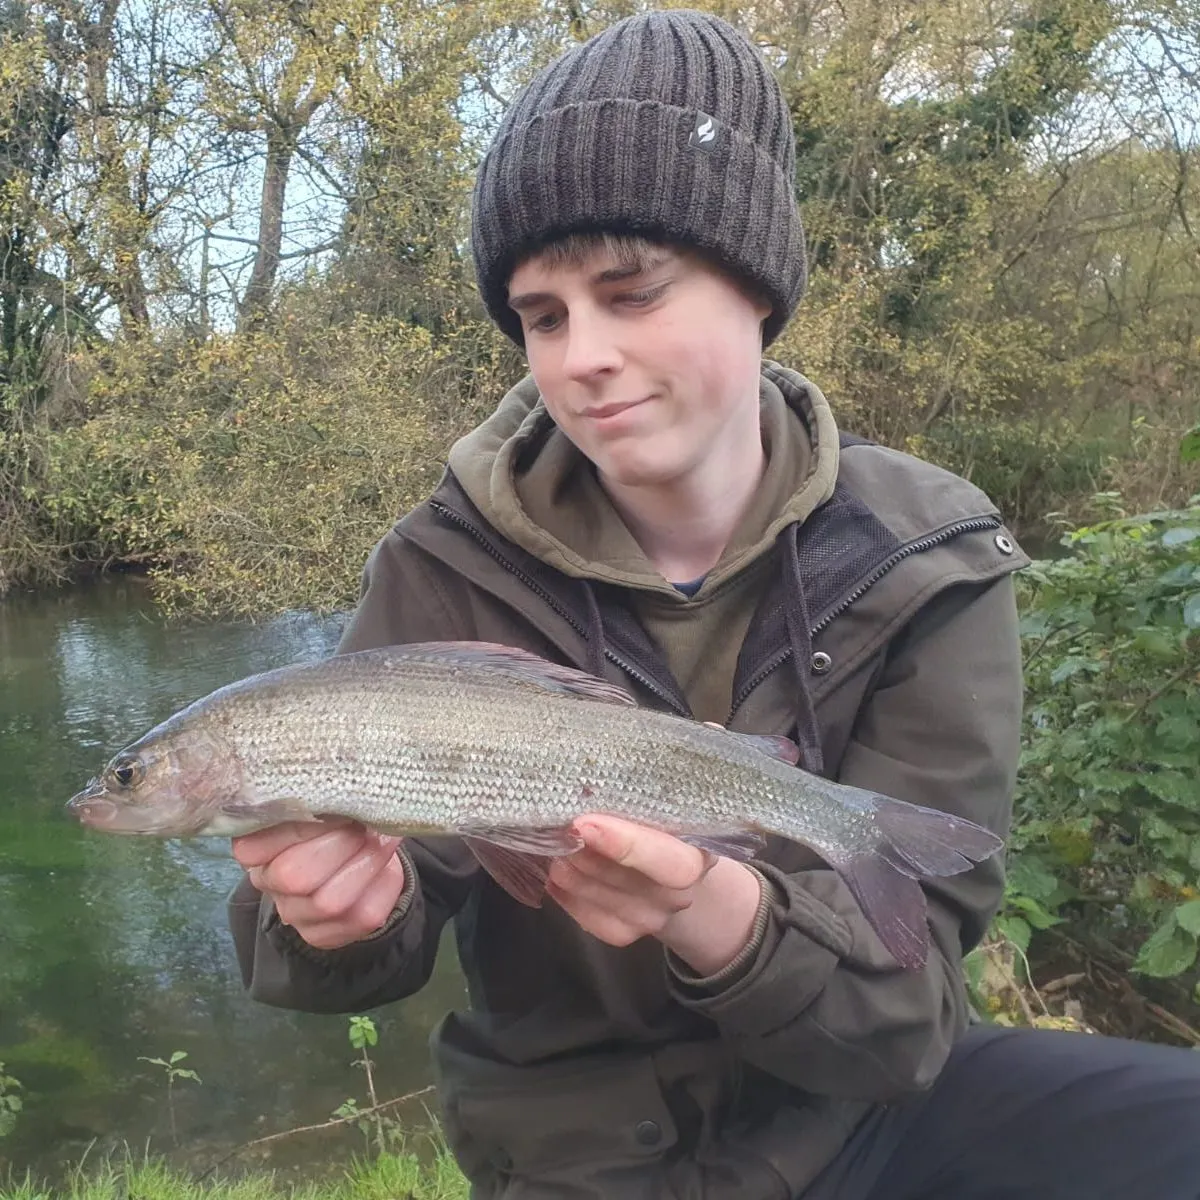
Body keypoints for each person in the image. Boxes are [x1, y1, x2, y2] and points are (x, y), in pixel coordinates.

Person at [227, 9, 1200, 1198]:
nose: (581, 354)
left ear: (757, 286)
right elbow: (362, 955)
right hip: (576, 1152)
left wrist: (721, 917)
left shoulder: (931, 554)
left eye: (631, 293)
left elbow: (904, 1029)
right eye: (543, 316)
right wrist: (332, 918)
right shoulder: (444, 564)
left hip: (850, 1113)